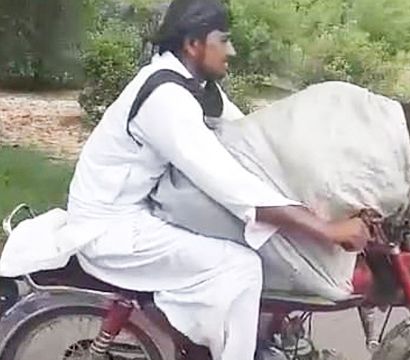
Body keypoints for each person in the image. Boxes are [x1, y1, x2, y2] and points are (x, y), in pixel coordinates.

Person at [58, 0, 372, 359]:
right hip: (112, 230)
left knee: (245, 244)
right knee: (240, 265)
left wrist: (320, 187)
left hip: (143, 211)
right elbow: (227, 181)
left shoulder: (195, 86)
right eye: (223, 40)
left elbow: (251, 140)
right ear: (193, 44)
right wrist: (325, 230)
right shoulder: (166, 97)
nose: (231, 50)